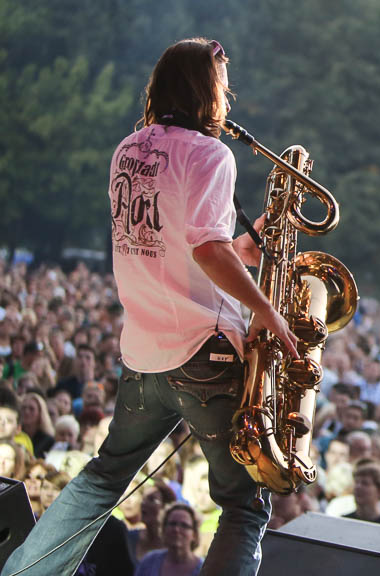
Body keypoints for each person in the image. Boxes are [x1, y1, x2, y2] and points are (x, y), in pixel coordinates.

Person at [1, 37, 300, 576]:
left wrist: (244, 251)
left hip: (143, 352)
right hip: (206, 354)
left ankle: (24, 572)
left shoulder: (129, 149)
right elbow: (206, 250)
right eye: (223, 87)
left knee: (102, 478)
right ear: (205, 90)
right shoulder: (211, 154)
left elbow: (176, 248)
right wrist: (269, 311)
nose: (228, 98)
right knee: (243, 505)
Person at [134, 503, 204, 576]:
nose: (176, 529)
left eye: (184, 525)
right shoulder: (149, 562)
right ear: (163, 529)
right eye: (172, 524)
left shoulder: (205, 569)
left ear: (194, 534)